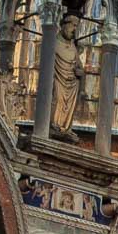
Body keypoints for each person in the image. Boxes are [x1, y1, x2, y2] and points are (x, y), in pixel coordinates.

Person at [50, 12, 83, 140]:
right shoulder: (52, 43)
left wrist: (80, 72)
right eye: (73, 25)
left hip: (72, 84)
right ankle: (54, 126)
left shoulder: (73, 46)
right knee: (57, 100)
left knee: (70, 105)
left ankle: (66, 127)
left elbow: (80, 66)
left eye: (77, 26)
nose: (75, 29)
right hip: (58, 79)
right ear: (64, 25)